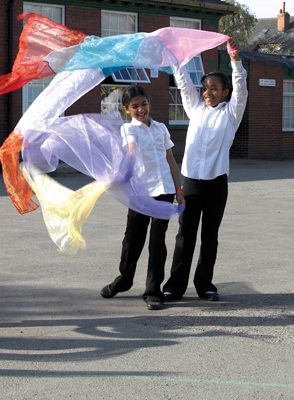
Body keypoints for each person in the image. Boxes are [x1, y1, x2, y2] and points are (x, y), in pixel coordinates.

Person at [162, 38, 247, 302]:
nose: (208, 92)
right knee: (185, 236)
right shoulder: (195, 109)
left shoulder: (231, 115)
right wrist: (177, 60)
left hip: (216, 185)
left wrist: (235, 61)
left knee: (209, 237)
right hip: (191, 184)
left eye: (214, 88)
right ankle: (175, 286)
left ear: (225, 92)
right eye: (205, 88)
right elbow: (184, 83)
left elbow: (241, 88)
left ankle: (205, 285)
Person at [100, 85, 185, 310]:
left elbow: (171, 160)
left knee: (158, 242)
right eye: (135, 106)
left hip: (164, 192)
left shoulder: (161, 129)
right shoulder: (130, 130)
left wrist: (179, 190)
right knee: (132, 239)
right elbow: (130, 151)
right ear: (127, 109)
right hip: (140, 193)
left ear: (149, 103)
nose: (141, 109)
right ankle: (124, 279)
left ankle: (153, 291)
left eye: (144, 104)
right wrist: (119, 174)